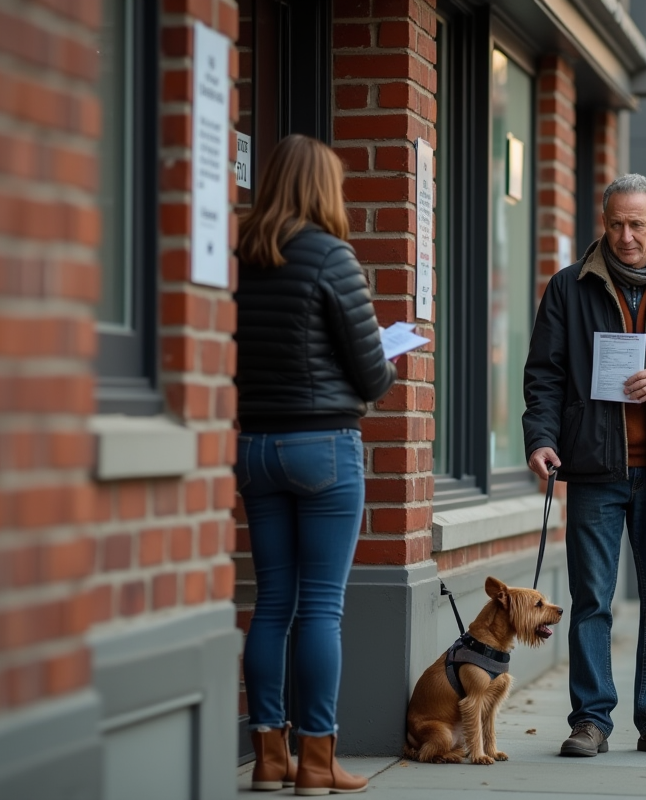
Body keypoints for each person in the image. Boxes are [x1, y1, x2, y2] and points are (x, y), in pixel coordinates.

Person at [522, 173, 646, 759]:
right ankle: (591, 721)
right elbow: (544, 374)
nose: (626, 236)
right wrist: (541, 438)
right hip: (594, 467)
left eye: (637, 224)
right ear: (604, 223)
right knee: (591, 600)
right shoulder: (569, 287)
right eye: (615, 224)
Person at [234, 134, 397, 794]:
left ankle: (269, 757)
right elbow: (372, 375)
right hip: (324, 446)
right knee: (322, 608)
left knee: (272, 602)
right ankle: (318, 761)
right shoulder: (331, 255)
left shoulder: (240, 254)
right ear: (322, 188)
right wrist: (386, 354)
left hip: (256, 446)